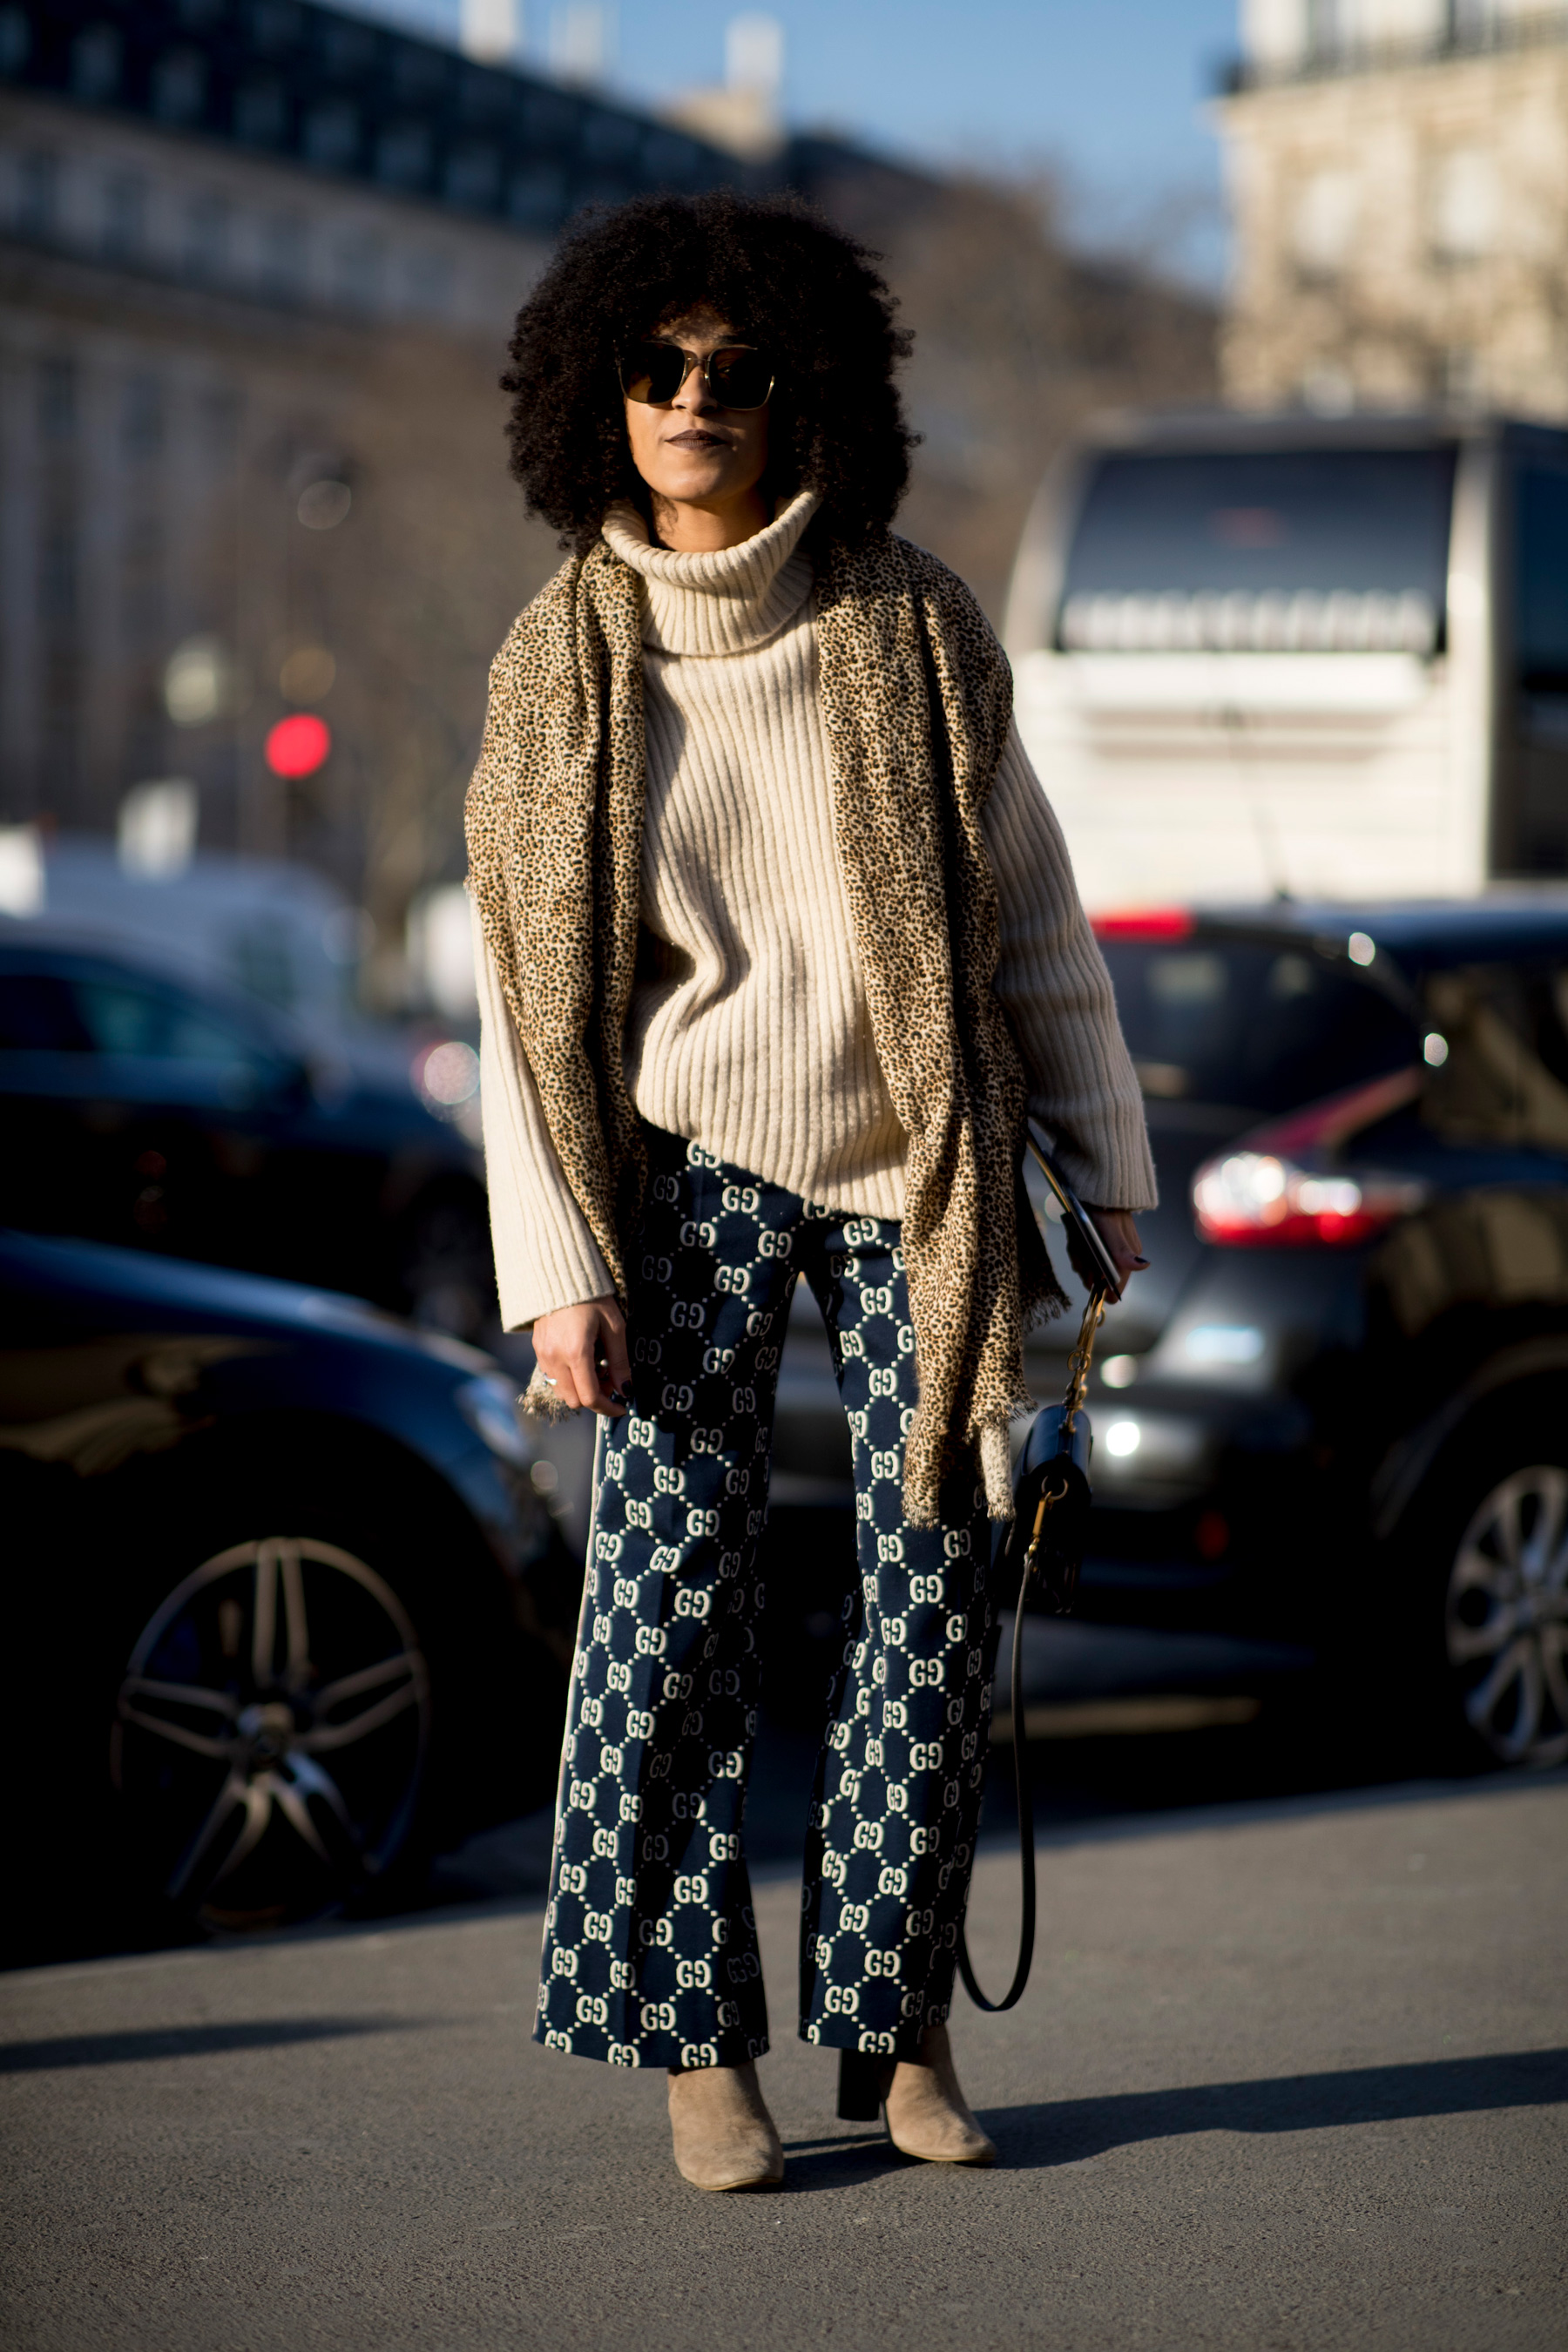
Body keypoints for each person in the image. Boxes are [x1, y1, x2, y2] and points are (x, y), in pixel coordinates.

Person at [466, 189, 1154, 2192]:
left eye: (736, 372)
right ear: (595, 394)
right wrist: (557, 1269)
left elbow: (1033, 915)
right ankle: (701, 2046)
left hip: (919, 1169)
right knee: (670, 1609)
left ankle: (901, 2024)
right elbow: (519, 1010)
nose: (694, 400)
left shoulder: (909, 617)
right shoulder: (551, 667)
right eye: (657, 367)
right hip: (684, 1172)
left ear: (803, 398)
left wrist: (1104, 1170)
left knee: (932, 1597)